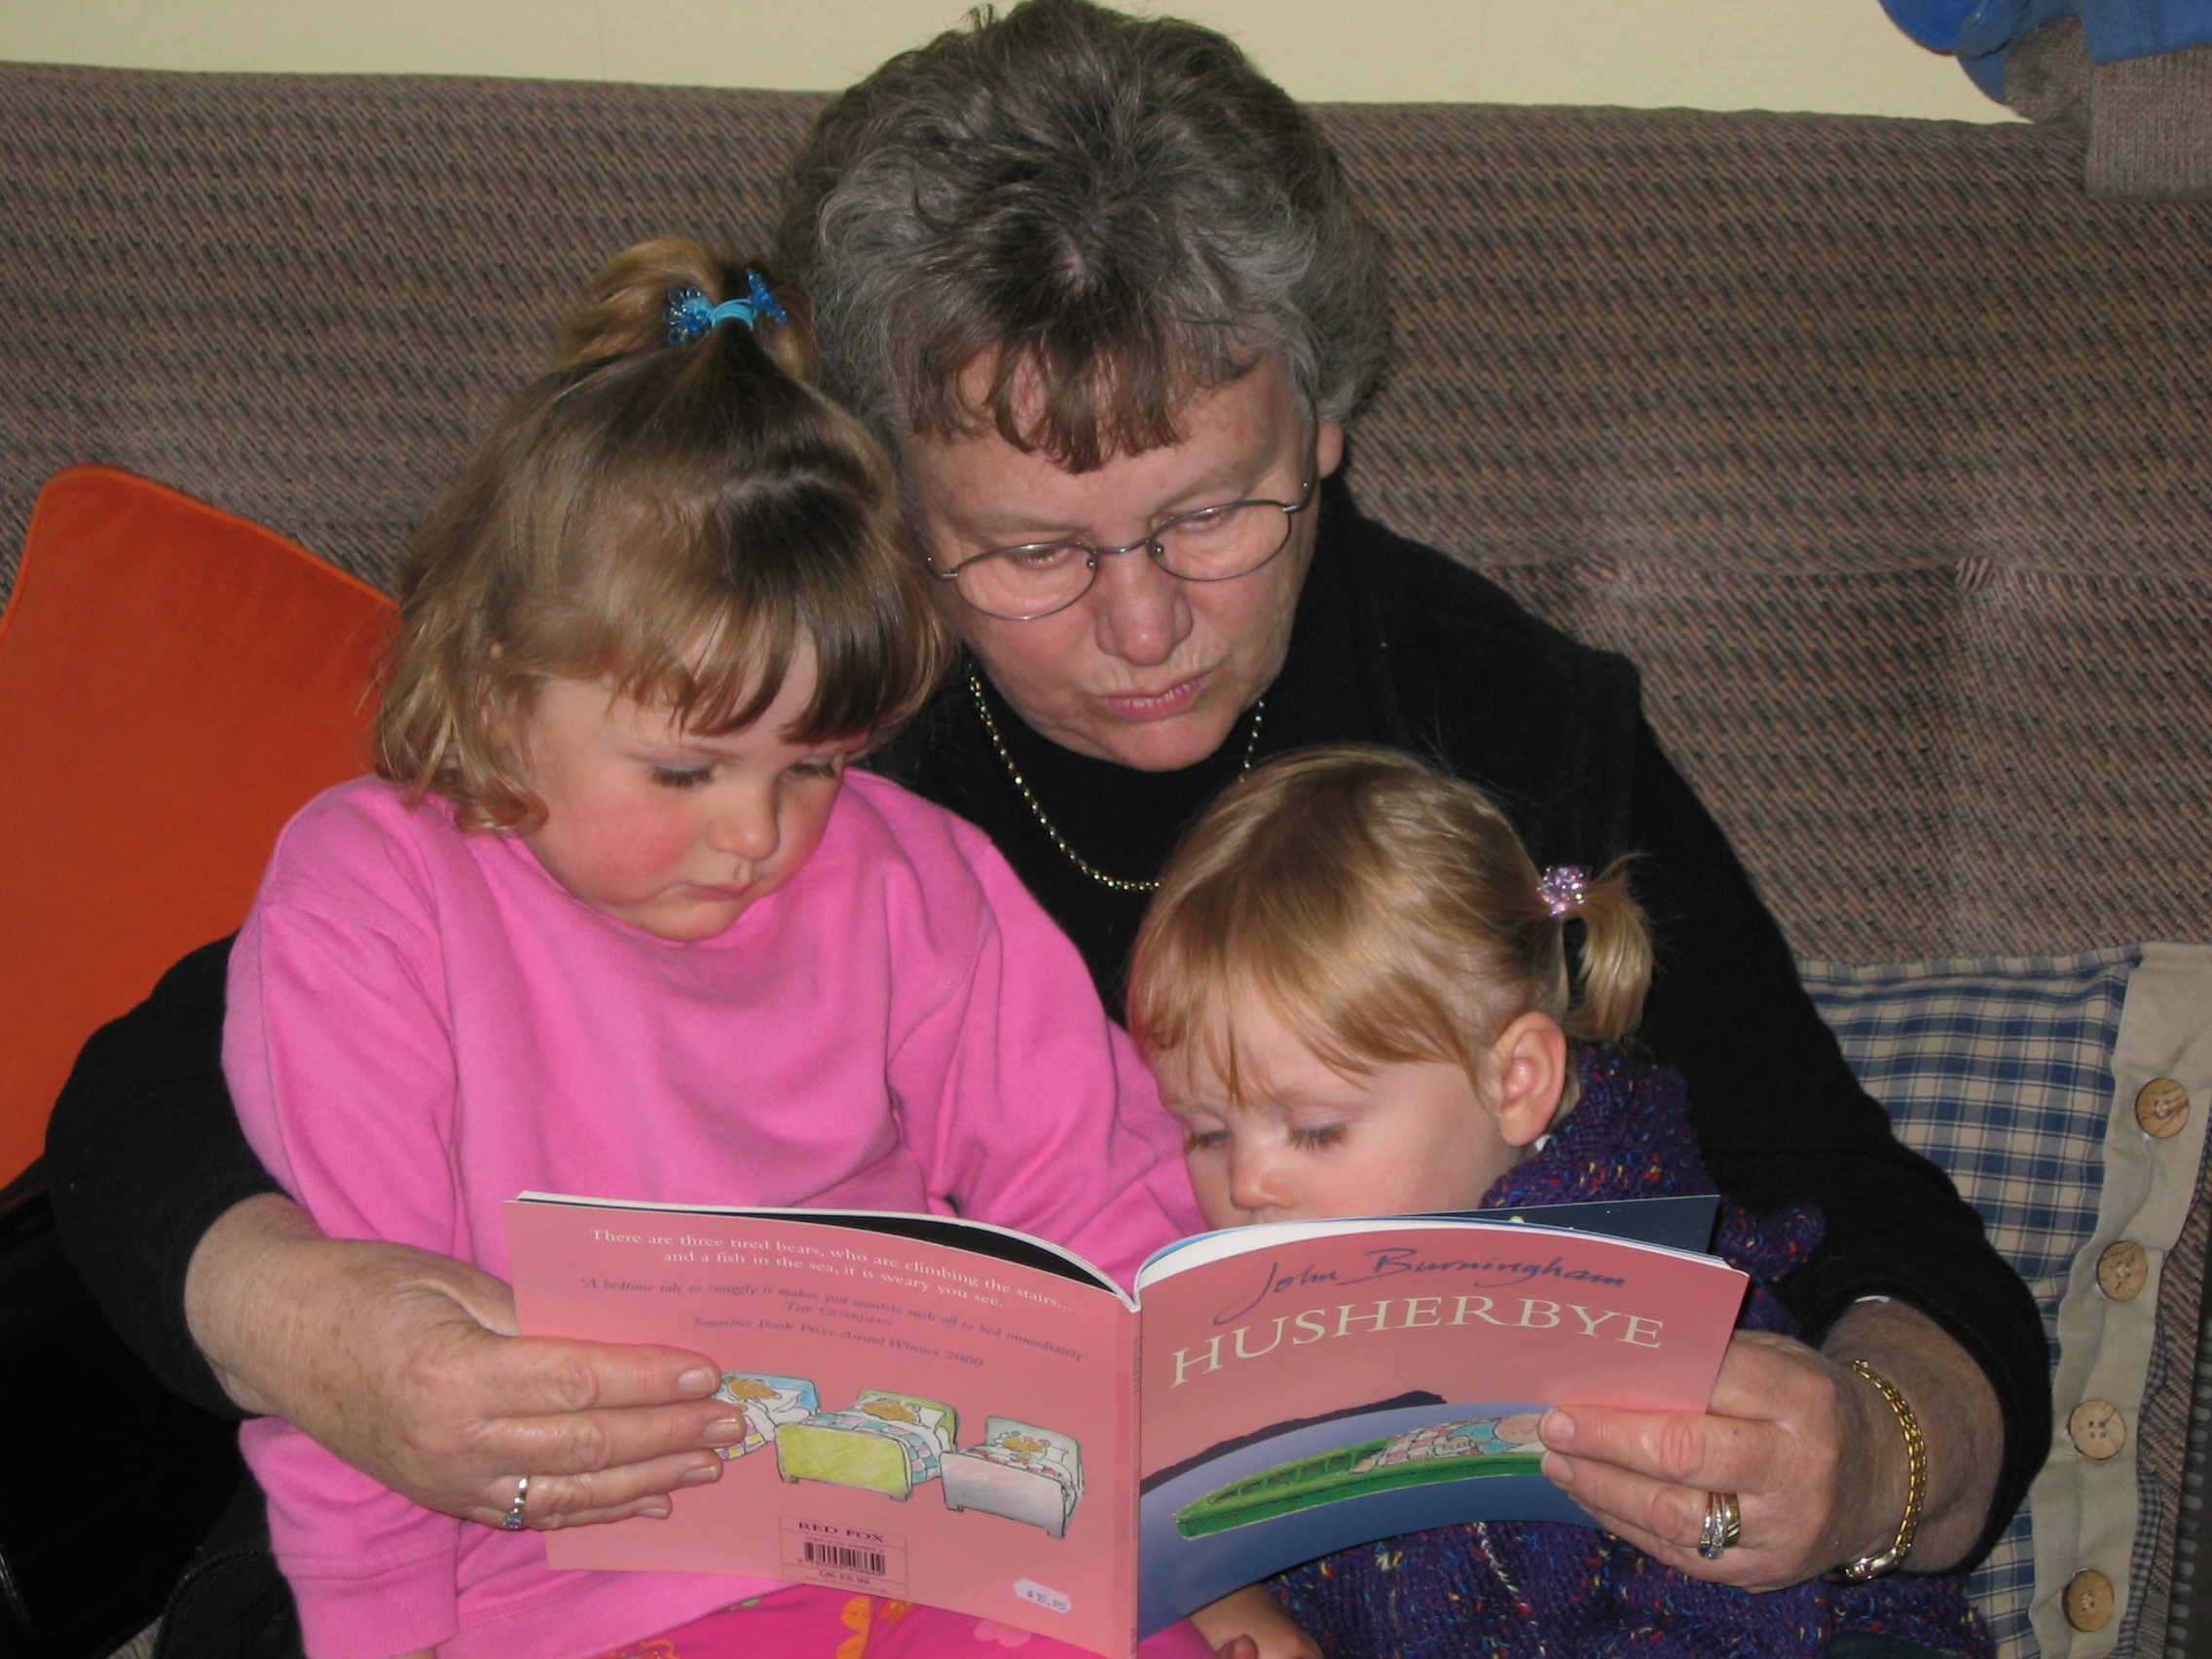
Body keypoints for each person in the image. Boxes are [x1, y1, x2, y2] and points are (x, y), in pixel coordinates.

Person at [48, 0, 2046, 1646]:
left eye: (1213, 509)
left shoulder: (1495, 724)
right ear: (888, 498)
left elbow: (1874, 1222)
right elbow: (165, 1079)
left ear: (1324, 422)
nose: (1142, 623)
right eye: (1027, 548)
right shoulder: (802, 717)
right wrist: (318, 1326)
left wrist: (1872, 1459)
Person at [216, 235, 1210, 1659]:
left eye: (814, 764)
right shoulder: (374, 901)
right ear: (500, 701)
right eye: (686, 772)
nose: (757, 833)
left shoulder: (911, 874)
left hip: (943, 1540)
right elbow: (358, 1352)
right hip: (572, 1595)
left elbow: (1096, 1187)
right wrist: (379, 1635)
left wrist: (1181, 1467)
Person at [1125, 747, 1992, 1659]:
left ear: (1518, 1082)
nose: (1248, 1185)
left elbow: (1733, 1611)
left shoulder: (1646, 1294)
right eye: (1207, 1133)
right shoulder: (1277, 1288)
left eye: (1315, 1130)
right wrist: (1237, 1613)